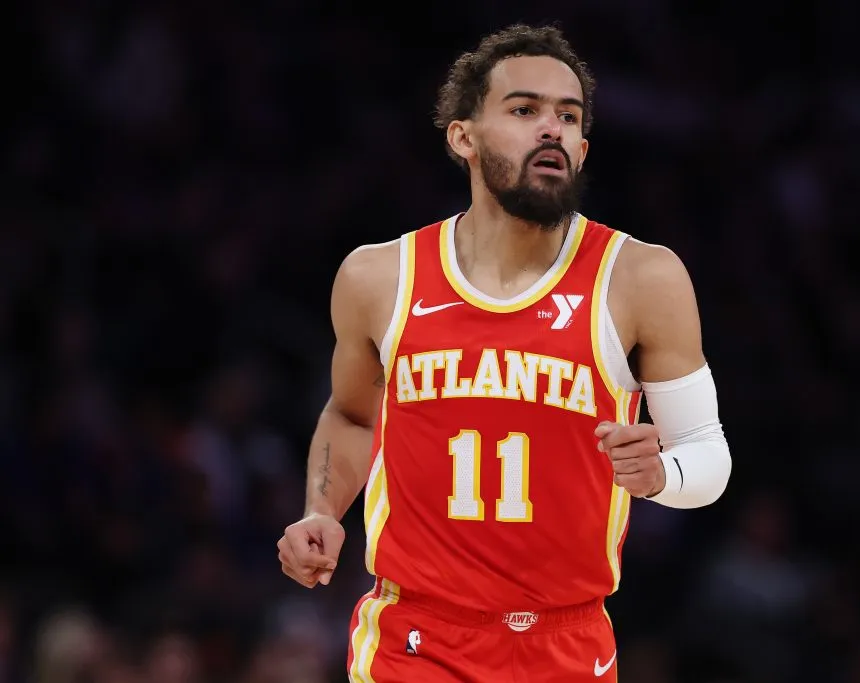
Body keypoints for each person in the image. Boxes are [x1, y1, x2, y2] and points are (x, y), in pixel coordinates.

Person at [277, 23, 733, 682]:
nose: (551, 128)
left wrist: (661, 475)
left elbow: (708, 455)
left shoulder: (642, 278)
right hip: (415, 637)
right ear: (463, 136)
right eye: (524, 110)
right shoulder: (379, 277)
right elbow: (352, 416)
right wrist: (321, 510)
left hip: (565, 639)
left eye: (567, 116)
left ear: (582, 145)